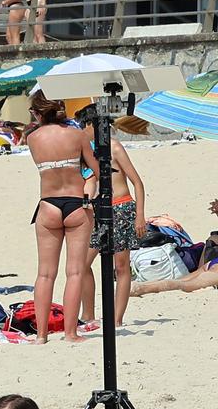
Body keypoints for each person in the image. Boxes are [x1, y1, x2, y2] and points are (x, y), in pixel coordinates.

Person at [24, 91, 95, 344]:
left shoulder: (33, 138)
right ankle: (70, 333)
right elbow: (95, 169)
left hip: (48, 204)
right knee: (75, 271)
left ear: (38, 112)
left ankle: (41, 336)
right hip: (76, 203)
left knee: (45, 274)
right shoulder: (77, 135)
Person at [80, 108, 144, 328]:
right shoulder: (88, 150)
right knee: (83, 263)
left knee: (121, 266)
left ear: (92, 126)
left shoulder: (115, 147)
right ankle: (88, 314)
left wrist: (140, 217)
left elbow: (138, 182)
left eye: (84, 126)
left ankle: (116, 319)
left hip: (122, 207)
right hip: (99, 210)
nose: (81, 130)